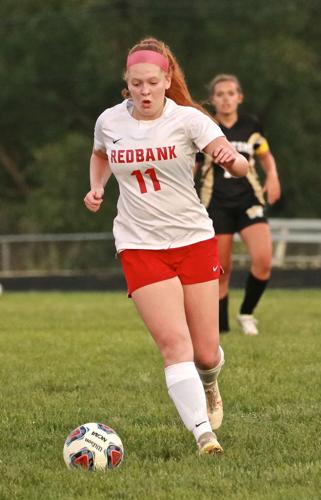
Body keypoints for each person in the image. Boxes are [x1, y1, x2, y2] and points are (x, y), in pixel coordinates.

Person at [84, 40, 248, 455]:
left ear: (166, 80)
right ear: (127, 83)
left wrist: (231, 159)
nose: (144, 90)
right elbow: (100, 154)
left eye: (152, 82)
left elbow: (240, 165)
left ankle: (210, 384)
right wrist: (97, 186)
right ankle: (203, 436)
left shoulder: (189, 119)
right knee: (176, 345)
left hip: (193, 240)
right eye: (135, 83)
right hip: (139, 244)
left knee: (206, 352)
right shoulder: (110, 121)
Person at [197, 74, 281, 335]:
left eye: (231, 93)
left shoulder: (251, 125)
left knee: (263, 260)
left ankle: (246, 313)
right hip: (216, 203)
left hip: (248, 201)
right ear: (213, 99)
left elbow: (265, 156)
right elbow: (193, 165)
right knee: (221, 270)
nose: (225, 99)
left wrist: (273, 176)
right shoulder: (205, 127)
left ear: (239, 97)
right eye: (220, 94)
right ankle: (221, 329)